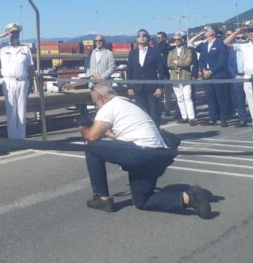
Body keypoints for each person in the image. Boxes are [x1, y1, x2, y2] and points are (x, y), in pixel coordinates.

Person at [79, 83, 212, 218]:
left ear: (101, 98)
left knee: (91, 148)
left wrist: (82, 127)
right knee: (142, 201)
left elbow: (91, 136)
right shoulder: (128, 103)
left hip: (141, 153)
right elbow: (127, 133)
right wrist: (108, 134)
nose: (96, 106)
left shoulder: (108, 107)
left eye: (95, 102)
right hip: (159, 154)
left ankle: (103, 199)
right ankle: (190, 197)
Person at [0, 23, 33, 139]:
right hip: (9, 83)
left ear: (19, 34)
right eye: (11, 33)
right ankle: (13, 139)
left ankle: (21, 139)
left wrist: (30, 84)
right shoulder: (2, 48)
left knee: (22, 111)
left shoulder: (25, 49)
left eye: (16, 33)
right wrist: (0, 36)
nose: (14, 35)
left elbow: (31, 69)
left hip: (23, 82)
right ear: (8, 35)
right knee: (11, 112)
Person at [224, 21, 253, 140]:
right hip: (248, 78)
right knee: (252, 105)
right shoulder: (245, 45)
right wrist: (238, 31)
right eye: (249, 31)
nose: (250, 33)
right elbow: (225, 43)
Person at [189, 25, 230, 127]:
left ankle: (223, 118)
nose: (205, 31)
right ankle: (212, 118)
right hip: (206, 75)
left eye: (207, 30)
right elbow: (201, 59)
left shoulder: (220, 44)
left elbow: (221, 61)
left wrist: (211, 71)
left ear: (213, 32)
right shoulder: (204, 45)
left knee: (220, 98)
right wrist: (202, 69)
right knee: (210, 97)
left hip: (217, 75)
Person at [126, 29, 168, 125]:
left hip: (152, 88)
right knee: (141, 114)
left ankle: (157, 135)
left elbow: (161, 71)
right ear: (137, 39)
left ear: (148, 38)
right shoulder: (132, 53)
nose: (142, 37)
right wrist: (129, 86)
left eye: (144, 35)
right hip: (138, 88)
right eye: (139, 35)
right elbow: (129, 70)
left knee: (154, 114)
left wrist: (160, 87)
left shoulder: (155, 52)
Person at [167, 32, 196, 125]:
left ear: (182, 40)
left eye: (178, 39)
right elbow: (169, 64)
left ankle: (191, 117)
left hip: (185, 76)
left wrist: (176, 62)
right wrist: (179, 63)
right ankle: (184, 116)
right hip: (175, 77)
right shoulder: (171, 52)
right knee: (179, 98)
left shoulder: (188, 51)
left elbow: (188, 62)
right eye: (174, 39)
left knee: (187, 97)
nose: (176, 41)